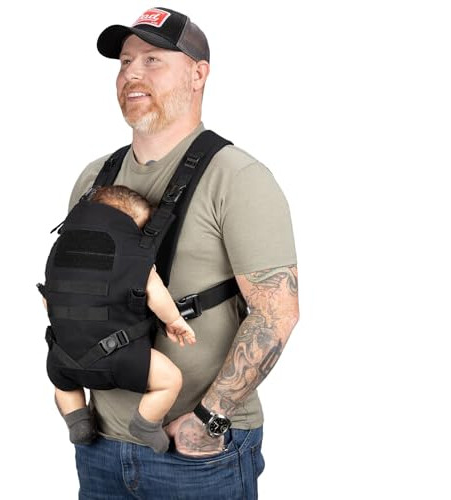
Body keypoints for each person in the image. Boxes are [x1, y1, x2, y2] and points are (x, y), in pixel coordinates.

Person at [64, 7, 299, 499]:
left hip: (197, 456)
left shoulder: (238, 178)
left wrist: (209, 420)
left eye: (152, 59)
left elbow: (276, 314)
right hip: (100, 446)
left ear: (198, 74)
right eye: (125, 61)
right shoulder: (94, 179)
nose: (132, 72)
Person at [46, 185, 197, 453]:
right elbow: (155, 293)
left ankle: (78, 422)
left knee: (64, 386)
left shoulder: (61, 250)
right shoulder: (131, 253)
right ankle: (146, 424)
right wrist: (174, 320)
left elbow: (49, 299)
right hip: (120, 357)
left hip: (63, 357)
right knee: (169, 380)